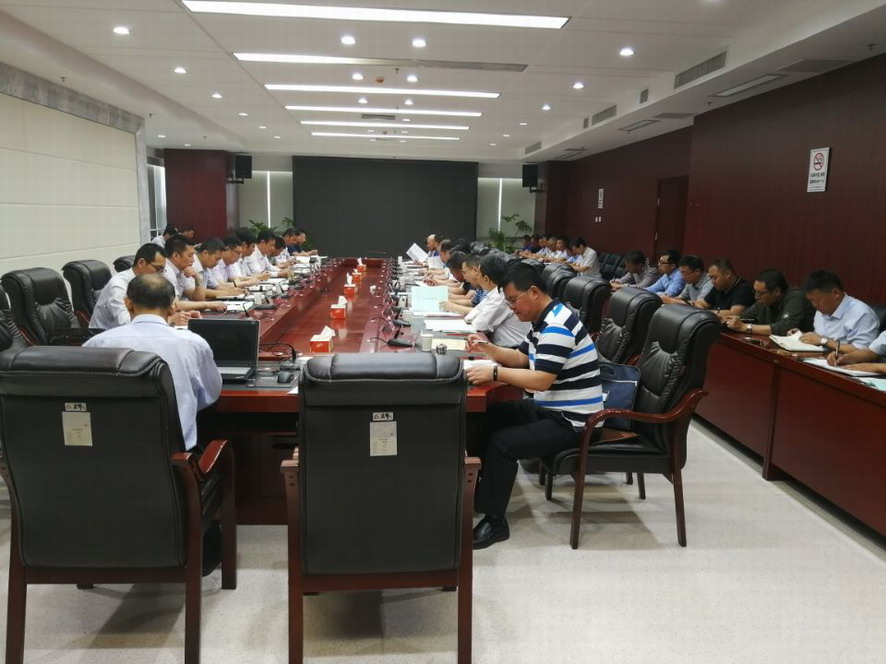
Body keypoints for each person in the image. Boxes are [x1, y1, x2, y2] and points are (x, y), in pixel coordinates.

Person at [464, 262, 603, 549]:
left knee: (504, 443)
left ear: (534, 292)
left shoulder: (557, 326)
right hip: (552, 409)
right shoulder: (544, 319)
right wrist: (487, 348)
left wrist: (494, 372)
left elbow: (540, 380)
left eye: (514, 300)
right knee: (486, 416)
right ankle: (480, 489)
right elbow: (521, 358)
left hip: (574, 422)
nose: (512, 308)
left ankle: (495, 522)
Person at [84, 274, 222, 451]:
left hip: (109, 454)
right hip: (175, 458)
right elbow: (210, 394)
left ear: (128, 303)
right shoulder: (194, 344)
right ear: (173, 307)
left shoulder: (96, 344)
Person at [90, 243, 191, 329]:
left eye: (162, 270)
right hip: (107, 338)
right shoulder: (118, 286)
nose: (160, 275)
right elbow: (125, 323)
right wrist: (168, 320)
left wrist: (175, 313)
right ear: (141, 263)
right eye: (157, 269)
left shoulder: (146, 284)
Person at [793, 270, 879, 352]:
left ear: (836, 293)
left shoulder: (862, 314)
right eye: (811, 301)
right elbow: (818, 339)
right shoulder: (821, 310)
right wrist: (802, 336)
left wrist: (824, 341)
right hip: (819, 358)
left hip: (846, 361)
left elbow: (862, 351)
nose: (815, 305)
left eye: (818, 300)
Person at [464, 253, 532, 348]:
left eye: (478, 274)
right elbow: (470, 316)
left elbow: (479, 325)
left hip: (513, 350)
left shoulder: (501, 295)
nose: (476, 276)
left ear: (486, 279)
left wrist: (478, 317)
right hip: (501, 347)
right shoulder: (494, 292)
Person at [724, 269, 814, 336]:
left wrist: (746, 327)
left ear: (777, 291)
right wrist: (727, 320)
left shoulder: (796, 297)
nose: (756, 297)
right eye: (755, 292)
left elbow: (785, 328)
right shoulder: (761, 301)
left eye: (760, 293)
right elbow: (744, 317)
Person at [163, 235, 227, 313]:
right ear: (175, 256)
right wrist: (209, 305)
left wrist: (197, 278)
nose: (193, 260)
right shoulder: (167, 272)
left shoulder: (182, 270)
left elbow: (198, 299)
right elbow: (175, 306)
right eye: (190, 255)